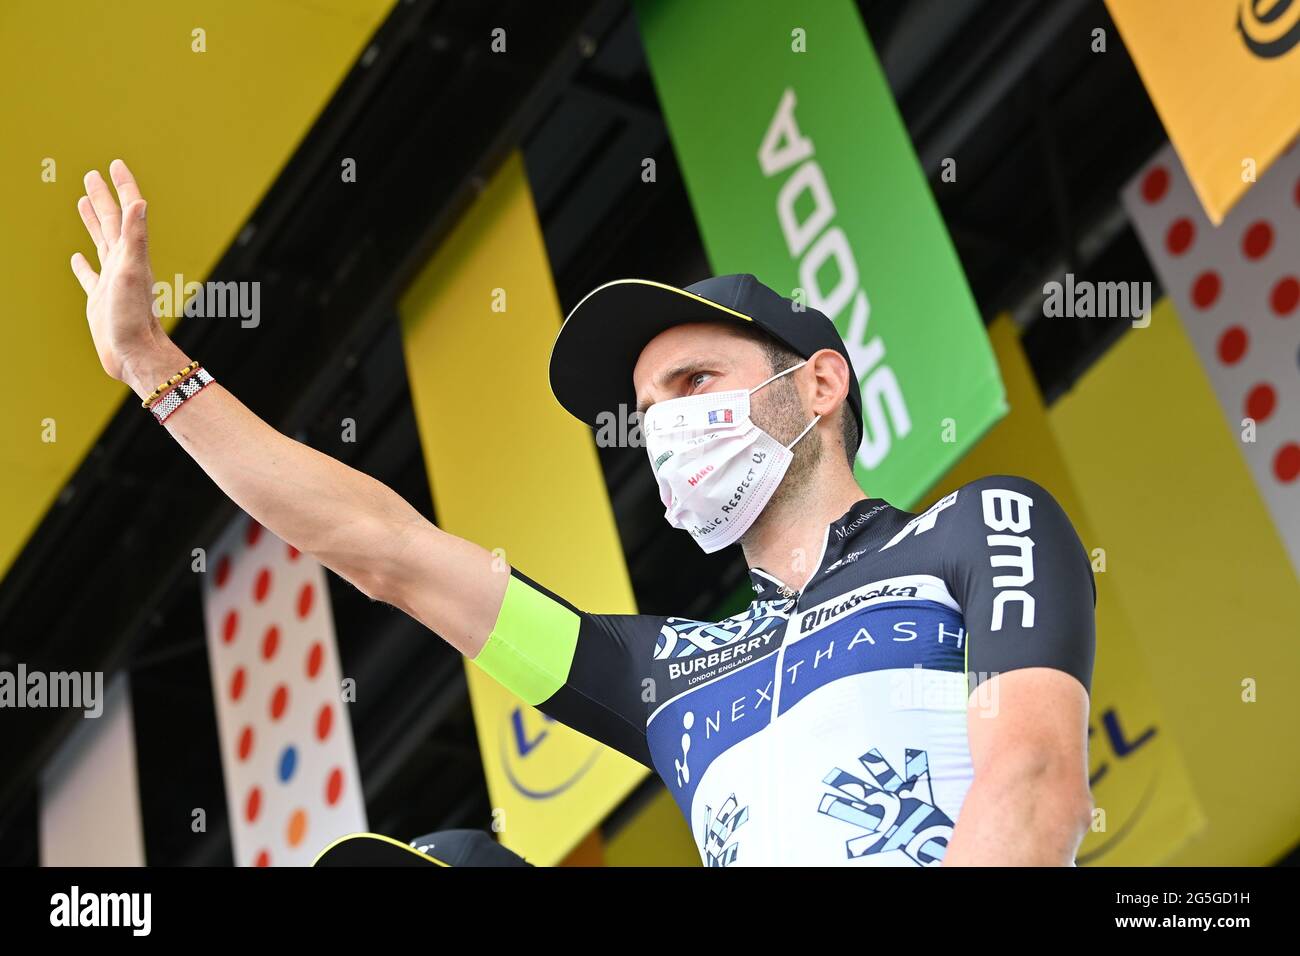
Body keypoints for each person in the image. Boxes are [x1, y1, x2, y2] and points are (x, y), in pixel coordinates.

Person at [70, 160, 1096, 867]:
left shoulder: (972, 527)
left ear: (817, 386)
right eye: (647, 411)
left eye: (696, 378)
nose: (669, 425)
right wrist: (157, 371)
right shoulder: (654, 675)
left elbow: (1035, 772)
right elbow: (388, 553)